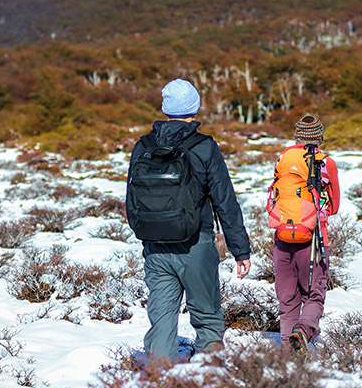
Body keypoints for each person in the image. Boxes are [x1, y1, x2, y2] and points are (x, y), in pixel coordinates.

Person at [127, 78, 251, 363]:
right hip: (196, 243)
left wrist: (145, 234)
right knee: (207, 315)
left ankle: (159, 385)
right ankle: (209, 380)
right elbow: (224, 200)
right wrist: (240, 249)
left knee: (162, 319)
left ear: (166, 108)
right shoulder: (204, 146)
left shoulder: (142, 145)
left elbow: (131, 198)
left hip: (155, 246)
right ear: (194, 107)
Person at [268, 115, 340, 352]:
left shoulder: (283, 159)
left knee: (287, 300)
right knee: (314, 295)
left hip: (282, 237)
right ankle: (305, 330)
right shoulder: (325, 162)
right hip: (314, 240)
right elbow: (334, 207)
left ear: (297, 136)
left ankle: (289, 355)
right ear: (319, 137)